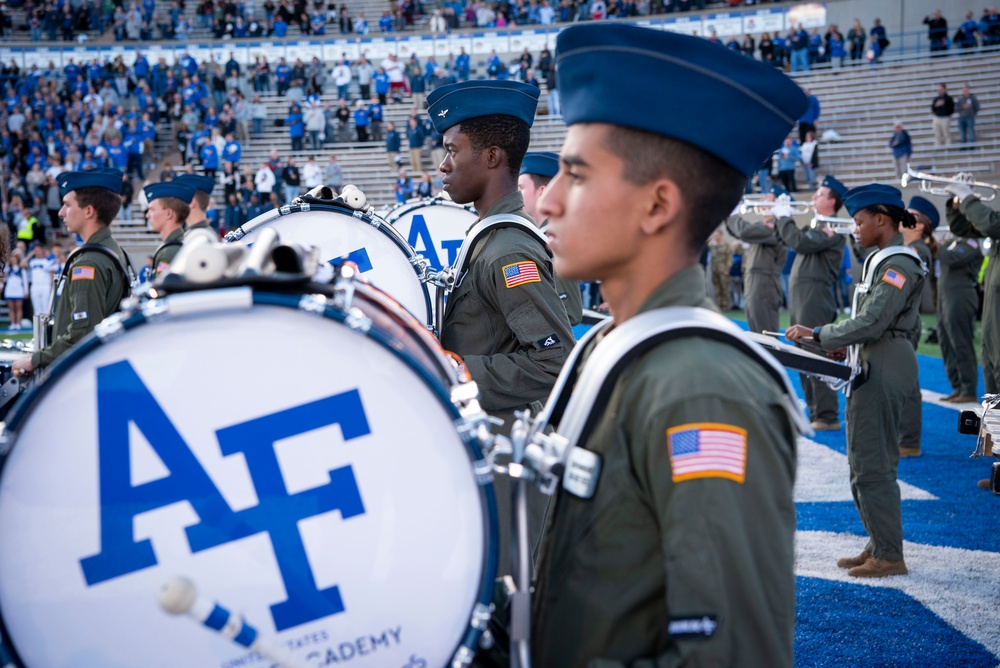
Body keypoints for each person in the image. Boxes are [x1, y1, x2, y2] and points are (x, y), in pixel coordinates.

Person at [530, 23, 807, 666]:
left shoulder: (700, 387)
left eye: (574, 175)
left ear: (657, 206)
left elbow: (730, 656)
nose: (545, 200)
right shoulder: (609, 341)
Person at [426, 78, 574, 576]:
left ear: (491, 157)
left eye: (452, 150)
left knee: (507, 600)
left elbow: (555, 362)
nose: (442, 165)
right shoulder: (488, 237)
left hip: (505, 447)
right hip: (488, 439)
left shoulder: (509, 249)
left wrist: (454, 370)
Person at [788, 184, 926, 579]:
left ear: (882, 220)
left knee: (873, 464)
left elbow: (873, 321)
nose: (856, 229)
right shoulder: (884, 260)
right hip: (872, 358)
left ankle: (889, 554)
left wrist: (820, 335)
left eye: (860, 221)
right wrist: (837, 347)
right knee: (863, 460)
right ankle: (878, 543)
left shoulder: (899, 263)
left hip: (884, 361)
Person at [13, 169, 130, 377]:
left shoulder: (89, 262)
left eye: (67, 205)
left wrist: (36, 359)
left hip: (81, 374)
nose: (60, 212)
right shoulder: (113, 250)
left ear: (88, 211)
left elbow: (82, 333)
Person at [780, 175, 848, 431]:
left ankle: (828, 415)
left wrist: (783, 216)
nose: (813, 198)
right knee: (800, 354)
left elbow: (797, 242)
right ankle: (816, 411)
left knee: (816, 355)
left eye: (819, 194)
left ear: (832, 202)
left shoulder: (833, 228)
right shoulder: (818, 225)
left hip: (815, 298)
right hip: (802, 298)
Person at [945, 177, 1000, 491]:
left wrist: (967, 196)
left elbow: (989, 223)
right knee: (993, 389)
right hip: (992, 314)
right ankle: (998, 465)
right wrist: (954, 203)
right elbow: (962, 229)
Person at [895, 195, 939, 458]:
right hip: (903, 320)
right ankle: (904, 437)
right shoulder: (908, 248)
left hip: (906, 322)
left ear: (920, 225)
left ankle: (909, 441)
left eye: (909, 214)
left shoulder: (917, 250)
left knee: (907, 383)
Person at [518, 151, 583, 326]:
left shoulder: (551, 241)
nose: (515, 195)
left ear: (542, 192)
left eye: (521, 188)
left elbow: (569, 312)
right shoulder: (538, 237)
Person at [726, 185, 789, 334]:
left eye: (767, 198)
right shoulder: (764, 227)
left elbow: (745, 231)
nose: (761, 200)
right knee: (757, 332)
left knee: (765, 333)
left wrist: (733, 212)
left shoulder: (777, 228)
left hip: (764, 284)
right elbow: (739, 232)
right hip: (755, 281)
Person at [936, 213, 983, 404]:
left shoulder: (971, 244)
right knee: (946, 341)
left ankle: (968, 389)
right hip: (945, 297)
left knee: (961, 342)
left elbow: (951, 259)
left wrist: (934, 243)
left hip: (961, 297)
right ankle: (958, 386)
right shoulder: (955, 242)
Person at [145, 180, 192, 280]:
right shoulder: (184, 241)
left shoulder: (168, 253)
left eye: (152, 209)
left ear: (169, 213)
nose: (147, 215)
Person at [27, 240, 57, 318]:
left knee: (46, 308)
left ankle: (45, 329)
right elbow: (22, 264)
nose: (37, 251)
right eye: (35, 249)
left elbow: (52, 274)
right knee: (36, 308)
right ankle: (38, 328)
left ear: (42, 250)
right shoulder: (31, 261)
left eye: (39, 249)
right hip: (35, 286)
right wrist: (30, 254)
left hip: (45, 285)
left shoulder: (48, 261)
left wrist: (52, 287)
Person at [4, 247, 27, 330]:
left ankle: (18, 323)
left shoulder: (22, 269)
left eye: (15, 258)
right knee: (11, 309)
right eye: (12, 258)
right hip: (9, 290)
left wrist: (26, 291)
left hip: (19, 290)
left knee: (18, 308)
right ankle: (12, 323)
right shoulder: (7, 269)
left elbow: (24, 281)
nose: (13, 260)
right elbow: (4, 279)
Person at [930, 82, 954, 146]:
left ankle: (948, 147)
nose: (939, 90)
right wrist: (936, 105)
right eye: (938, 89)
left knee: (946, 134)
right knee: (937, 134)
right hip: (937, 117)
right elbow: (932, 108)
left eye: (941, 89)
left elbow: (952, 109)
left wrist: (946, 111)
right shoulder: (936, 99)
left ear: (944, 89)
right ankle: (937, 147)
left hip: (945, 118)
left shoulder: (949, 98)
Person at [957, 85, 980, 149]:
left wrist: (972, 113)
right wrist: (963, 106)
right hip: (962, 118)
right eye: (964, 90)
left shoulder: (973, 98)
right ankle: (963, 147)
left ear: (969, 90)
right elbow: (957, 108)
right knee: (962, 133)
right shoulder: (960, 99)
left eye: (966, 90)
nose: (965, 91)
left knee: (971, 132)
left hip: (970, 117)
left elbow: (977, 107)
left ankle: (972, 146)